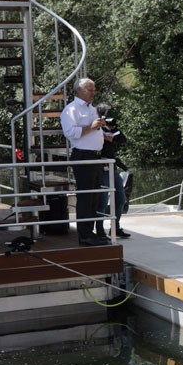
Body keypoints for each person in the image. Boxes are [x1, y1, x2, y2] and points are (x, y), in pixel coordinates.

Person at [61, 78, 112, 246]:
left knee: (94, 197)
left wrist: (102, 132)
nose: (93, 93)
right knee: (85, 197)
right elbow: (70, 132)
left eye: (94, 90)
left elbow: (92, 129)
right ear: (79, 91)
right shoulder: (71, 109)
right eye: (90, 90)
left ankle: (91, 232)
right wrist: (92, 127)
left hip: (95, 157)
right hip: (83, 157)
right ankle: (84, 235)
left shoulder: (92, 109)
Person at [94, 102, 132, 239]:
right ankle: (99, 230)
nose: (104, 119)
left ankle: (115, 227)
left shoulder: (107, 129)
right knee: (103, 201)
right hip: (102, 168)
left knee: (121, 199)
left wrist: (113, 128)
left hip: (112, 168)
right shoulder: (95, 128)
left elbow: (122, 139)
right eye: (103, 116)